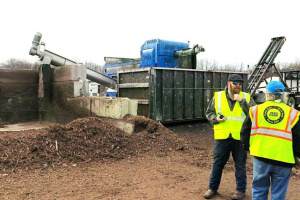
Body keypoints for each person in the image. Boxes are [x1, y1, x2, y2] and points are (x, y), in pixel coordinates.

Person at [241, 81, 300, 200]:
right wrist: (297, 156)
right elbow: (298, 138)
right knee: (278, 195)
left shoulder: (255, 110)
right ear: (283, 95)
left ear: (267, 94)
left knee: (258, 191)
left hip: (261, 157)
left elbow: (245, 131)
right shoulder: (293, 114)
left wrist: (247, 148)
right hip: (284, 160)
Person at [204, 74, 256, 199]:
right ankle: (212, 188)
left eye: (240, 83)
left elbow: (254, 113)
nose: (238, 85)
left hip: (240, 138)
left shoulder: (246, 97)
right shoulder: (218, 96)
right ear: (229, 83)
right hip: (222, 137)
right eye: (235, 83)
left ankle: (240, 191)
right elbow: (209, 112)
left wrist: (242, 102)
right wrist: (215, 118)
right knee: (218, 164)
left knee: (240, 165)